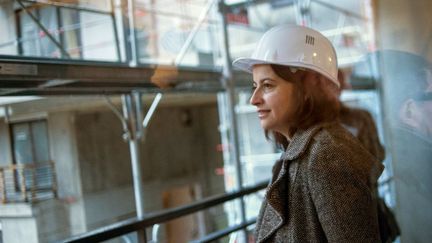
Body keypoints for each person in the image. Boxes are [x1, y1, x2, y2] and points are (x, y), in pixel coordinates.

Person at [233, 25, 383, 242]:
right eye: (255, 85)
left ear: (307, 89)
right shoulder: (302, 152)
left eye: (267, 85)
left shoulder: (327, 156)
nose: (254, 99)